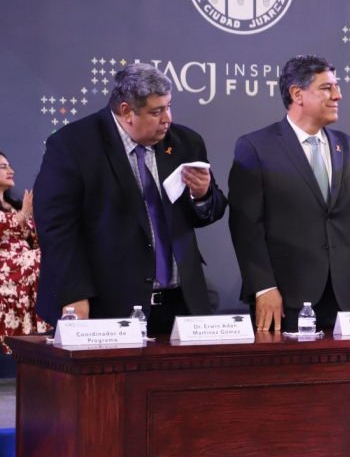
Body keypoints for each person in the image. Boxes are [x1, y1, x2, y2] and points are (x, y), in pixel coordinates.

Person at [34, 64, 227, 335]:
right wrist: (73, 294)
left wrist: (202, 194)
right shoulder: (73, 145)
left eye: (169, 107)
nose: (167, 119)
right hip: (107, 304)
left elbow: (210, 211)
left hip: (181, 305)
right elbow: (57, 228)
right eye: (156, 112)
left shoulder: (186, 142)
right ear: (126, 112)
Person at [229, 55, 350, 333]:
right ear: (297, 94)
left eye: (337, 86)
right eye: (327, 88)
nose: (338, 95)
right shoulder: (256, 147)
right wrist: (264, 287)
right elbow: (246, 227)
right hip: (282, 300)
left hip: (340, 297)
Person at [0, 153, 50, 352]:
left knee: (52, 257)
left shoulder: (15, 206)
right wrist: (23, 215)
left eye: (9, 165)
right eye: (3, 167)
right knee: (38, 260)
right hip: (5, 263)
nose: (10, 171)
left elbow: (35, 239)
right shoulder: (21, 211)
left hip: (26, 258)